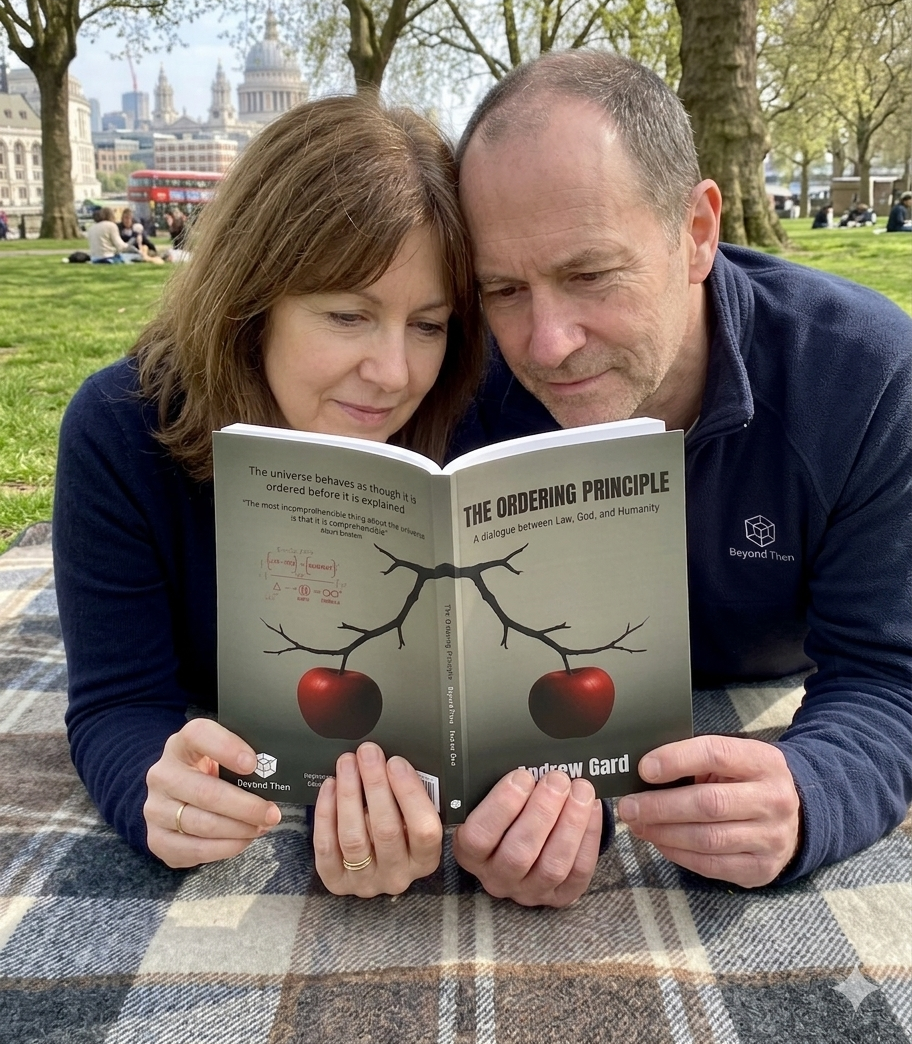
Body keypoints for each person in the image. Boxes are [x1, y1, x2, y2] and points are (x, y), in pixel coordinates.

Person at [448, 50, 912, 901]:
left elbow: (890, 678)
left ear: (697, 232)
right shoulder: (457, 383)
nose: (546, 344)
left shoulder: (863, 376)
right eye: (504, 290)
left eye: (590, 274)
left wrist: (808, 792)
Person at [54, 96, 487, 895]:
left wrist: (562, 815)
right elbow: (118, 701)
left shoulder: (470, 414)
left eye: (429, 325)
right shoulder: (121, 428)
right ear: (251, 304)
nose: (394, 374)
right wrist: (159, 792)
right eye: (348, 315)